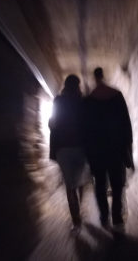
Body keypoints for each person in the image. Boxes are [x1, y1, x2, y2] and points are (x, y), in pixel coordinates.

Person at [84, 67, 134, 230]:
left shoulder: (88, 101)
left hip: (97, 151)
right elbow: (126, 124)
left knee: (100, 185)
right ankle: (117, 218)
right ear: (103, 76)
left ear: (94, 78)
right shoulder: (116, 95)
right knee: (117, 184)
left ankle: (104, 216)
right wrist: (127, 148)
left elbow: (85, 130)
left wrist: (88, 153)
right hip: (116, 148)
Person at [49, 75, 90, 233]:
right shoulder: (83, 102)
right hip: (80, 147)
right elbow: (88, 124)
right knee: (79, 180)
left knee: (69, 184)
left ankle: (76, 220)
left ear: (65, 85)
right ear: (78, 86)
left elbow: (53, 122)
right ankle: (80, 205)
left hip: (63, 148)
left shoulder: (58, 101)